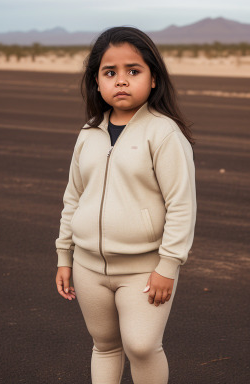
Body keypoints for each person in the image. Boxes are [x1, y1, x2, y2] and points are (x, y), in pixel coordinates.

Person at [55, 26, 197, 384]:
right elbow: (73, 197)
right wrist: (64, 255)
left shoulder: (164, 134)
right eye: (110, 72)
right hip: (88, 265)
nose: (121, 81)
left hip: (145, 268)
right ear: (97, 83)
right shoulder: (88, 134)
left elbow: (181, 204)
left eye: (133, 71)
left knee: (142, 345)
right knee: (104, 345)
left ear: (153, 79)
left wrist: (168, 264)